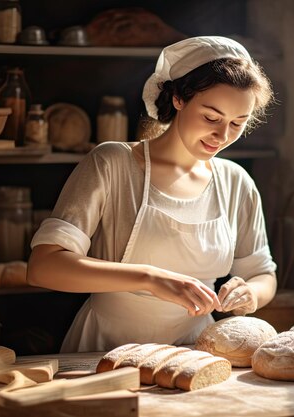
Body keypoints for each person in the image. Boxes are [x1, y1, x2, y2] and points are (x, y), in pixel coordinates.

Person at [27, 36, 278, 352]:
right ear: (178, 99)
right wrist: (149, 278)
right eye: (211, 118)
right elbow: (43, 268)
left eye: (237, 123)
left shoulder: (236, 183)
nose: (222, 135)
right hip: (105, 350)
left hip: (196, 352)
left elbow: (262, 275)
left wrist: (251, 293)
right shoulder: (113, 164)